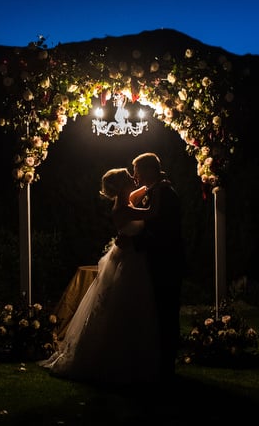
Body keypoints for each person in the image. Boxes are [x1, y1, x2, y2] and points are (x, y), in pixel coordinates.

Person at [39, 168, 161, 385]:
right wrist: (160, 190)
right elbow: (151, 212)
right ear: (122, 185)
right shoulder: (122, 208)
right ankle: (116, 360)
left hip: (133, 258)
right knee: (121, 307)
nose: (134, 179)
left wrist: (152, 184)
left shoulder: (127, 199)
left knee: (130, 306)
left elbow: (141, 192)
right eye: (129, 177)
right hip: (128, 261)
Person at [131, 152, 185, 381]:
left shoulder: (166, 193)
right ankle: (159, 361)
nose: (135, 176)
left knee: (166, 311)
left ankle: (167, 365)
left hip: (166, 262)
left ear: (149, 170)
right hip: (157, 261)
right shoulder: (156, 190)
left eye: (138, 171)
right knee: (157, 311)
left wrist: (135, 241)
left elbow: (164, 232)